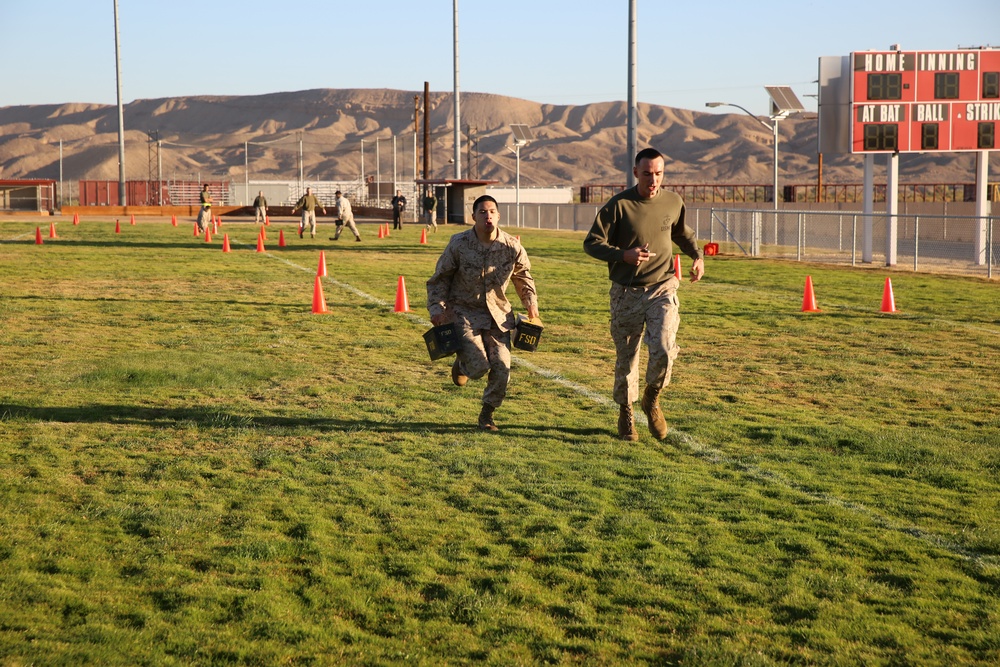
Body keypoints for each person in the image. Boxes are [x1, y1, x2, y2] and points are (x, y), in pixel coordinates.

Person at [583, 147, 705, 442]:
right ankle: (626, 412)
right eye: (648, 173)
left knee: (663, 348)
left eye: (659, 173)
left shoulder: (673, 201)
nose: (653, 179)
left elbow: (681, 233)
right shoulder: (619, 206)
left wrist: (697, 256)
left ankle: (652, 399)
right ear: (636, 173)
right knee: (627, 358)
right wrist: (623, 255)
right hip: (626, 293)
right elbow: (591, 243)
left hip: (663, 286)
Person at [427, 194, 540, 432]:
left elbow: (523, 277)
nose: (487, 216)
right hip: (462, 313)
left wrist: (531, 305)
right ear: (474, 217)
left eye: (491, 212)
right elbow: (441, 278)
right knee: (478, 367)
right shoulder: (459, 243)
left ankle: (487, 415)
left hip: (498, 317)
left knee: (502, 367)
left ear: (498, 216)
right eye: (482, 212)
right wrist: (437, 308)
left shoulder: (511, 246)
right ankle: (462, 364)